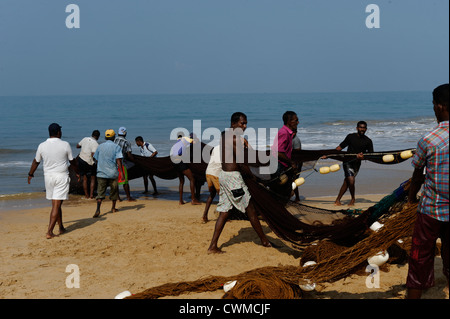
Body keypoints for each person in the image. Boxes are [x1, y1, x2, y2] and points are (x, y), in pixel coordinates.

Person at [207, 112, 273, 254]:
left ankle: (212, 246)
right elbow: (244, 160)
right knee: (251, 210)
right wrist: (264, 163)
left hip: (224, 176)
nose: (244, 126)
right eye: (242, 123)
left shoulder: (225, 136)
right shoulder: (235, 138)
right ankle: (265, 241)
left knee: (224, 211)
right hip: (233, 179)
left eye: (246, 123)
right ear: (233, 124)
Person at [406, 83, 449, 299]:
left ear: (440, 107)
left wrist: (411, 197)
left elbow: (417, 175)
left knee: (419, 261)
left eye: (433, 105)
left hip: (431, 210)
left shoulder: (428, 140)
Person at [27, 123, 79, 239]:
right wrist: (77, 172)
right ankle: (49, 232)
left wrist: (30, 174)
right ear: (58, 132)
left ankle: (61, 227)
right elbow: (72, 162)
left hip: (48, 177)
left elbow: (36, 161)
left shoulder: (42, 145)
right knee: (56, 204)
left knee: (56, 203)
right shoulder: (65, 144)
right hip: (61, 177)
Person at [333, 121, 374, 206]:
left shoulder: (368, 141)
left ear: (366, 129)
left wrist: (363, 157)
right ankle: (353, 198)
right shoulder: (350, 137)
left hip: (357, 164)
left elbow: (371, 155)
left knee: (347, 181)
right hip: (347, 162)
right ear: (357, 128)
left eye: (364, 128)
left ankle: (337, 200)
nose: (362, 129)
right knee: (351, 180)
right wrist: (328, 154)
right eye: (360, 127)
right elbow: (340, 147)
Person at [93, 129, 124, 218]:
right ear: (114, 137)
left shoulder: (100, 146)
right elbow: (118, 160)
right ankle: (113, 208)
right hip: (112, 173)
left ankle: (98, 209)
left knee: (100, 193)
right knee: (114, 191)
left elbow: (95, 158)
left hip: (101, 173)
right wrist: (121, 172)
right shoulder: (116, 147)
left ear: (106, 137)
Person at [170, 133, 201, 205]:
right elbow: (194, 142)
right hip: (180, 162)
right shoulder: (185, 140)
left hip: (174, 162)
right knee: (192, 179)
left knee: (181, 181)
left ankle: (180, 201)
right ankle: (193, 200)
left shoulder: (176, 143)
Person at [271, 111, 299, 175]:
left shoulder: (289, 133)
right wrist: (291, 162)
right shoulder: (284, 133)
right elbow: (278, 153)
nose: (298, 122)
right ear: (289, 122)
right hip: (278, 165)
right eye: (296, 120)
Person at [76, 130, 100, 199]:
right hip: (89, 161)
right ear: (98, 137)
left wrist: (84, 146)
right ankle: (91, 195)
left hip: (81, 159)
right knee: (93, 178)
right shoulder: (96, 143)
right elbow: (93, 154)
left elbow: (77, 146)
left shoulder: (85, 139)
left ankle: (86, 195)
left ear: (92, 134)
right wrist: (97, 161)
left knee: (85, 179)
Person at [114, 127, 135, 201]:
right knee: (125, 181)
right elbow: (129, 155)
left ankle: (117, 197)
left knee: (115, 181)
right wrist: (134, 161)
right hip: (122, 163)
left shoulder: (114, 139)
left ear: (118, 133)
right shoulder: (127, 142)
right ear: (125, 133)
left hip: (113, 163)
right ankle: (128, 197)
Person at [202, 145, 222, 223]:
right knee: (222, 195)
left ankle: (204, 215)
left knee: (212, 194)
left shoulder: (216, 147)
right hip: (216, 173)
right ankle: (222, 216)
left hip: (209, 171)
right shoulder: (226, 147)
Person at [292, 128, 302, 202]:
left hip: (296, 163)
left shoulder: (296, 140)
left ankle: (297, 197)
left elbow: (298, 154)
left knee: (294, 180)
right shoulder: (290, 139)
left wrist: (295, 164)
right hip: (292, 162)